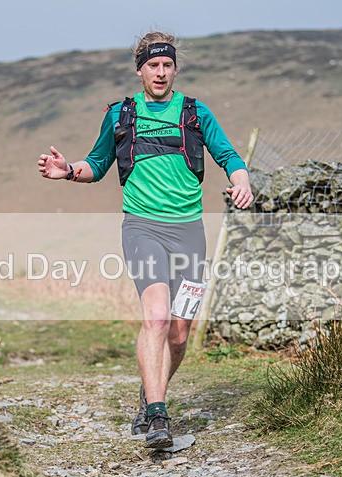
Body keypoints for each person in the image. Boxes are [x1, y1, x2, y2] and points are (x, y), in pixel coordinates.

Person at [38, 31, 254, 448]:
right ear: (139, 70)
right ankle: (157, 414)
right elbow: (98, 163)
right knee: (155, 316)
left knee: (178, 334)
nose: (160, 72)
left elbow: (229, 156)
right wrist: (67, 170)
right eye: (152, 65)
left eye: (167, 65)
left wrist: (241, 181)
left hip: (190, 232)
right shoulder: (121, 113)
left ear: (175, 69)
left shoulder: (195, 112)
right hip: (142, 228)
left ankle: (150, 391)